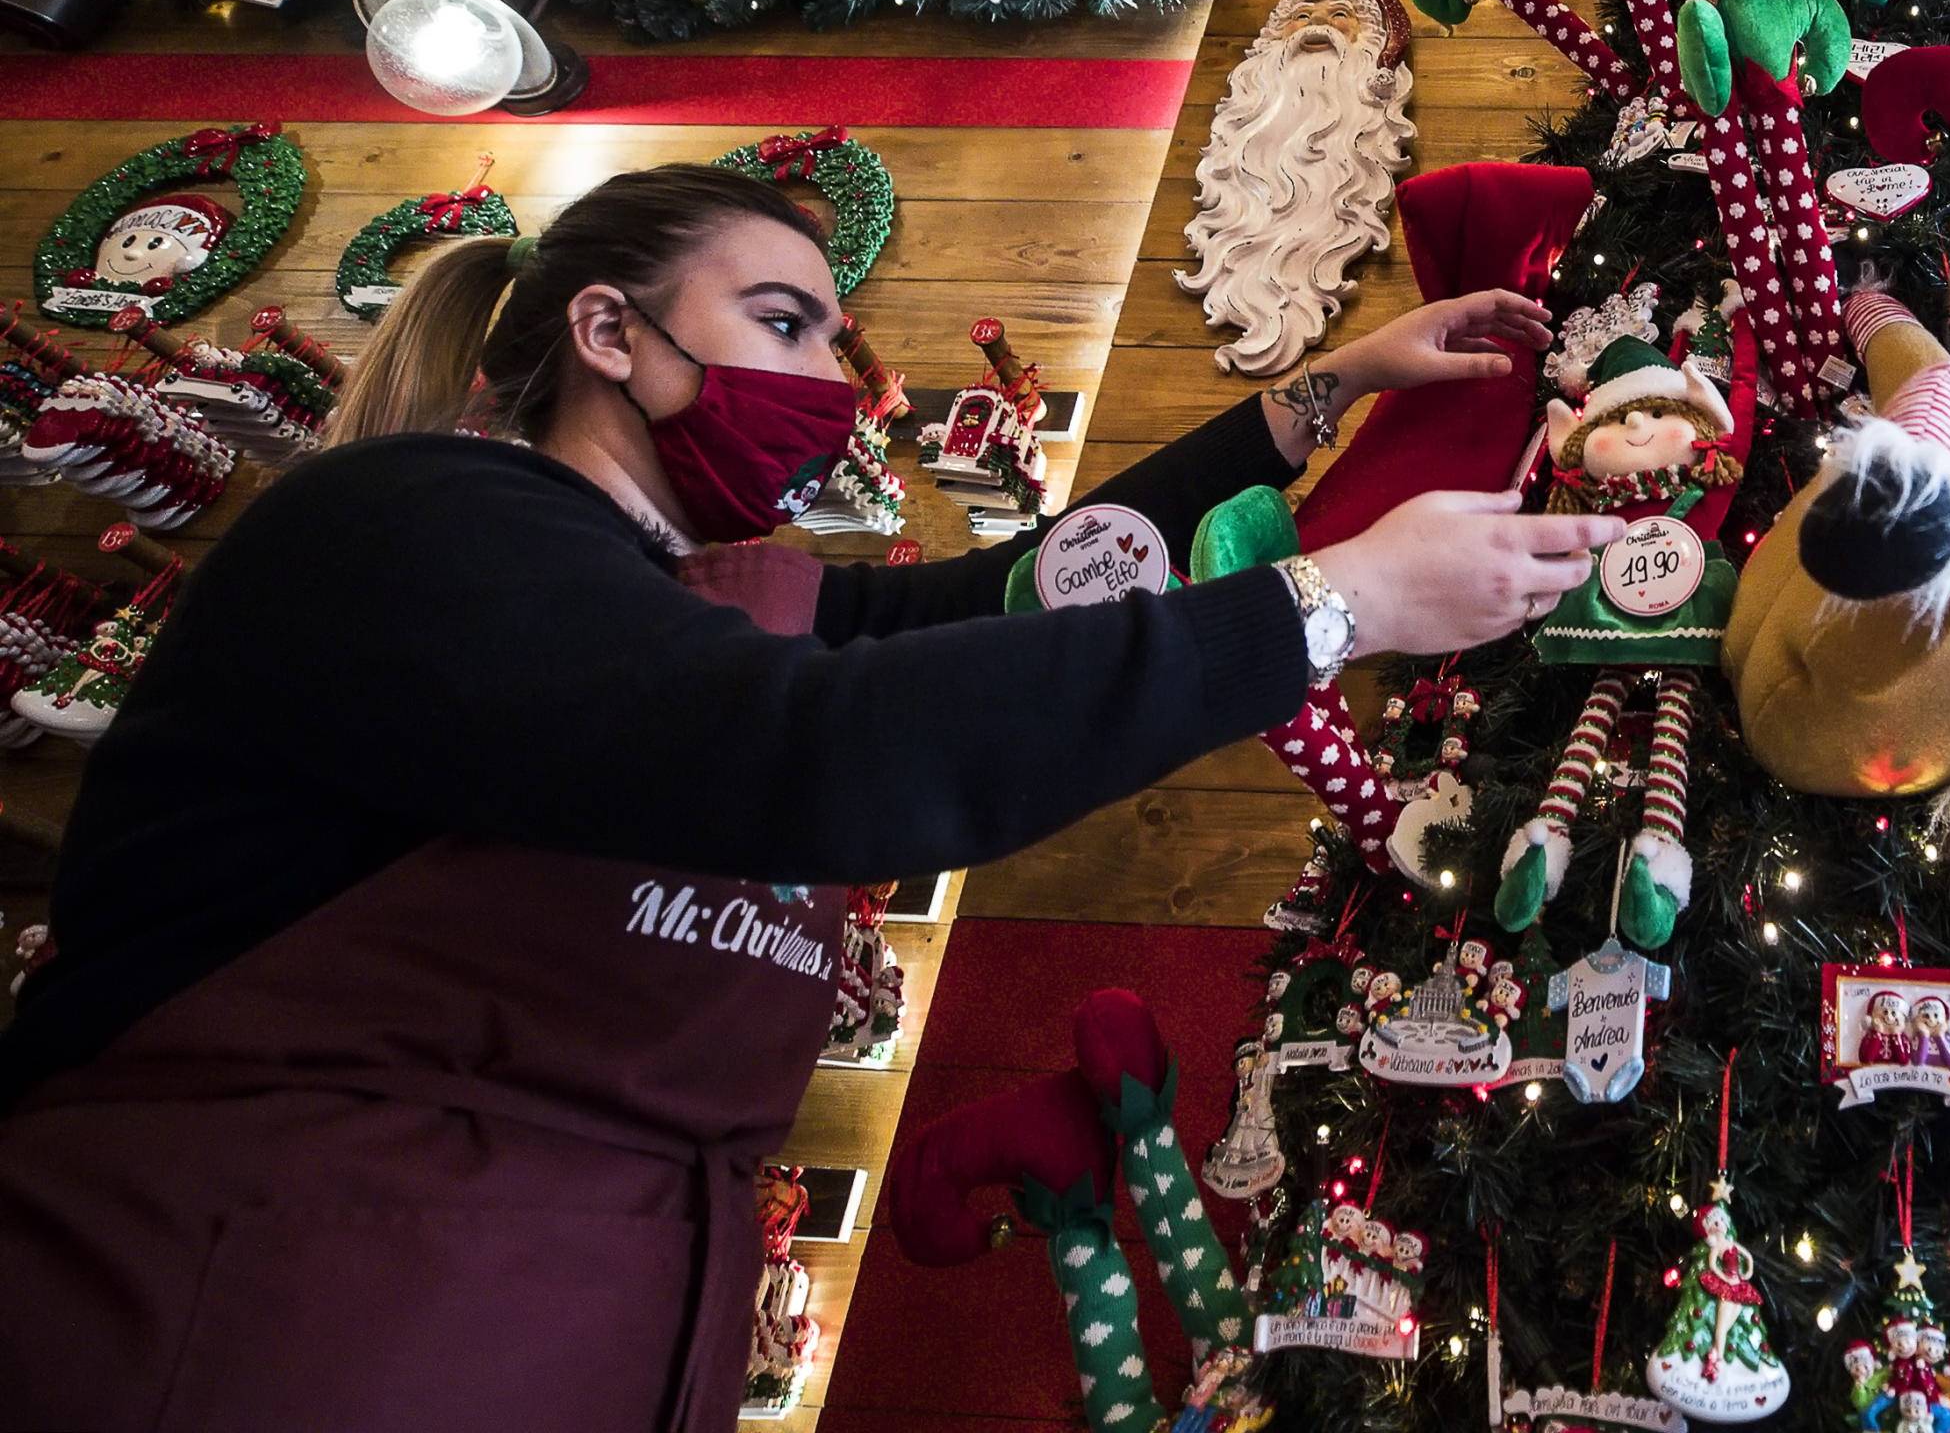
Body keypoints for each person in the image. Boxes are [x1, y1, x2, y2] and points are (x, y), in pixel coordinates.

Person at [0, 163, 1618, 1432]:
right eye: (782, 322)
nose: (829, 377)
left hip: (601, 1318)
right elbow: (810, 751)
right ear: (608, 332)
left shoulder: (717, 594)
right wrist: (1326, 607)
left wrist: (1334, 387)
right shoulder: (410, 523)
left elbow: (1026, 591)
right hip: (274, 1308)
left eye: (837, 339)